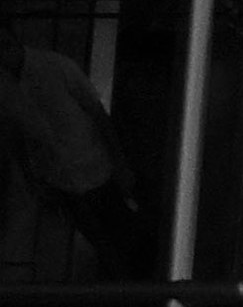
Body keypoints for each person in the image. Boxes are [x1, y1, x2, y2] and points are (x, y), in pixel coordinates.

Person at [0, 36, 143, 275]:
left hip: (91, 169)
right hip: (66, 177)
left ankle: (132, 278)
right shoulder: (15, 82)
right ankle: (129, 280)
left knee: (118, 233)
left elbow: (97, 114)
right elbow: (18, 136)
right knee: (104, 239)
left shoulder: (54, 67)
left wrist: (119, 164)